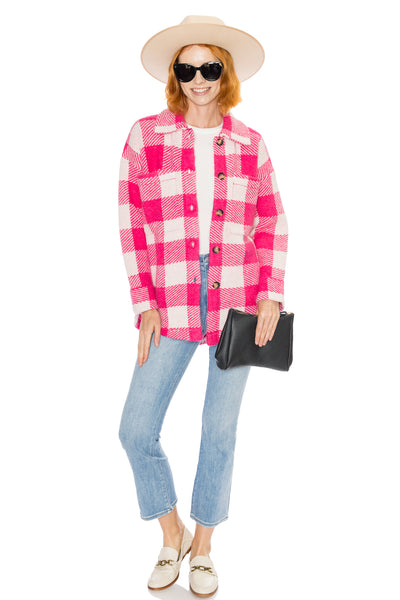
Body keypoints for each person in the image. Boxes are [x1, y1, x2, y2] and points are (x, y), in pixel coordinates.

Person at [118, 15, 288, 597]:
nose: (198, 78)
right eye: (186, 68)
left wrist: (270, 292)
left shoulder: (250, 143)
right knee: (136, 429)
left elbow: (272, 220)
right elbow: (132, 224)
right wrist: (144, 302)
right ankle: (174, 534)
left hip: (237, 302)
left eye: (209, 67)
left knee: (219, 431)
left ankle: (206, 549)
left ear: (225, 72)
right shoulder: (145, 137)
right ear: (175, 75)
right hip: (170, 300)